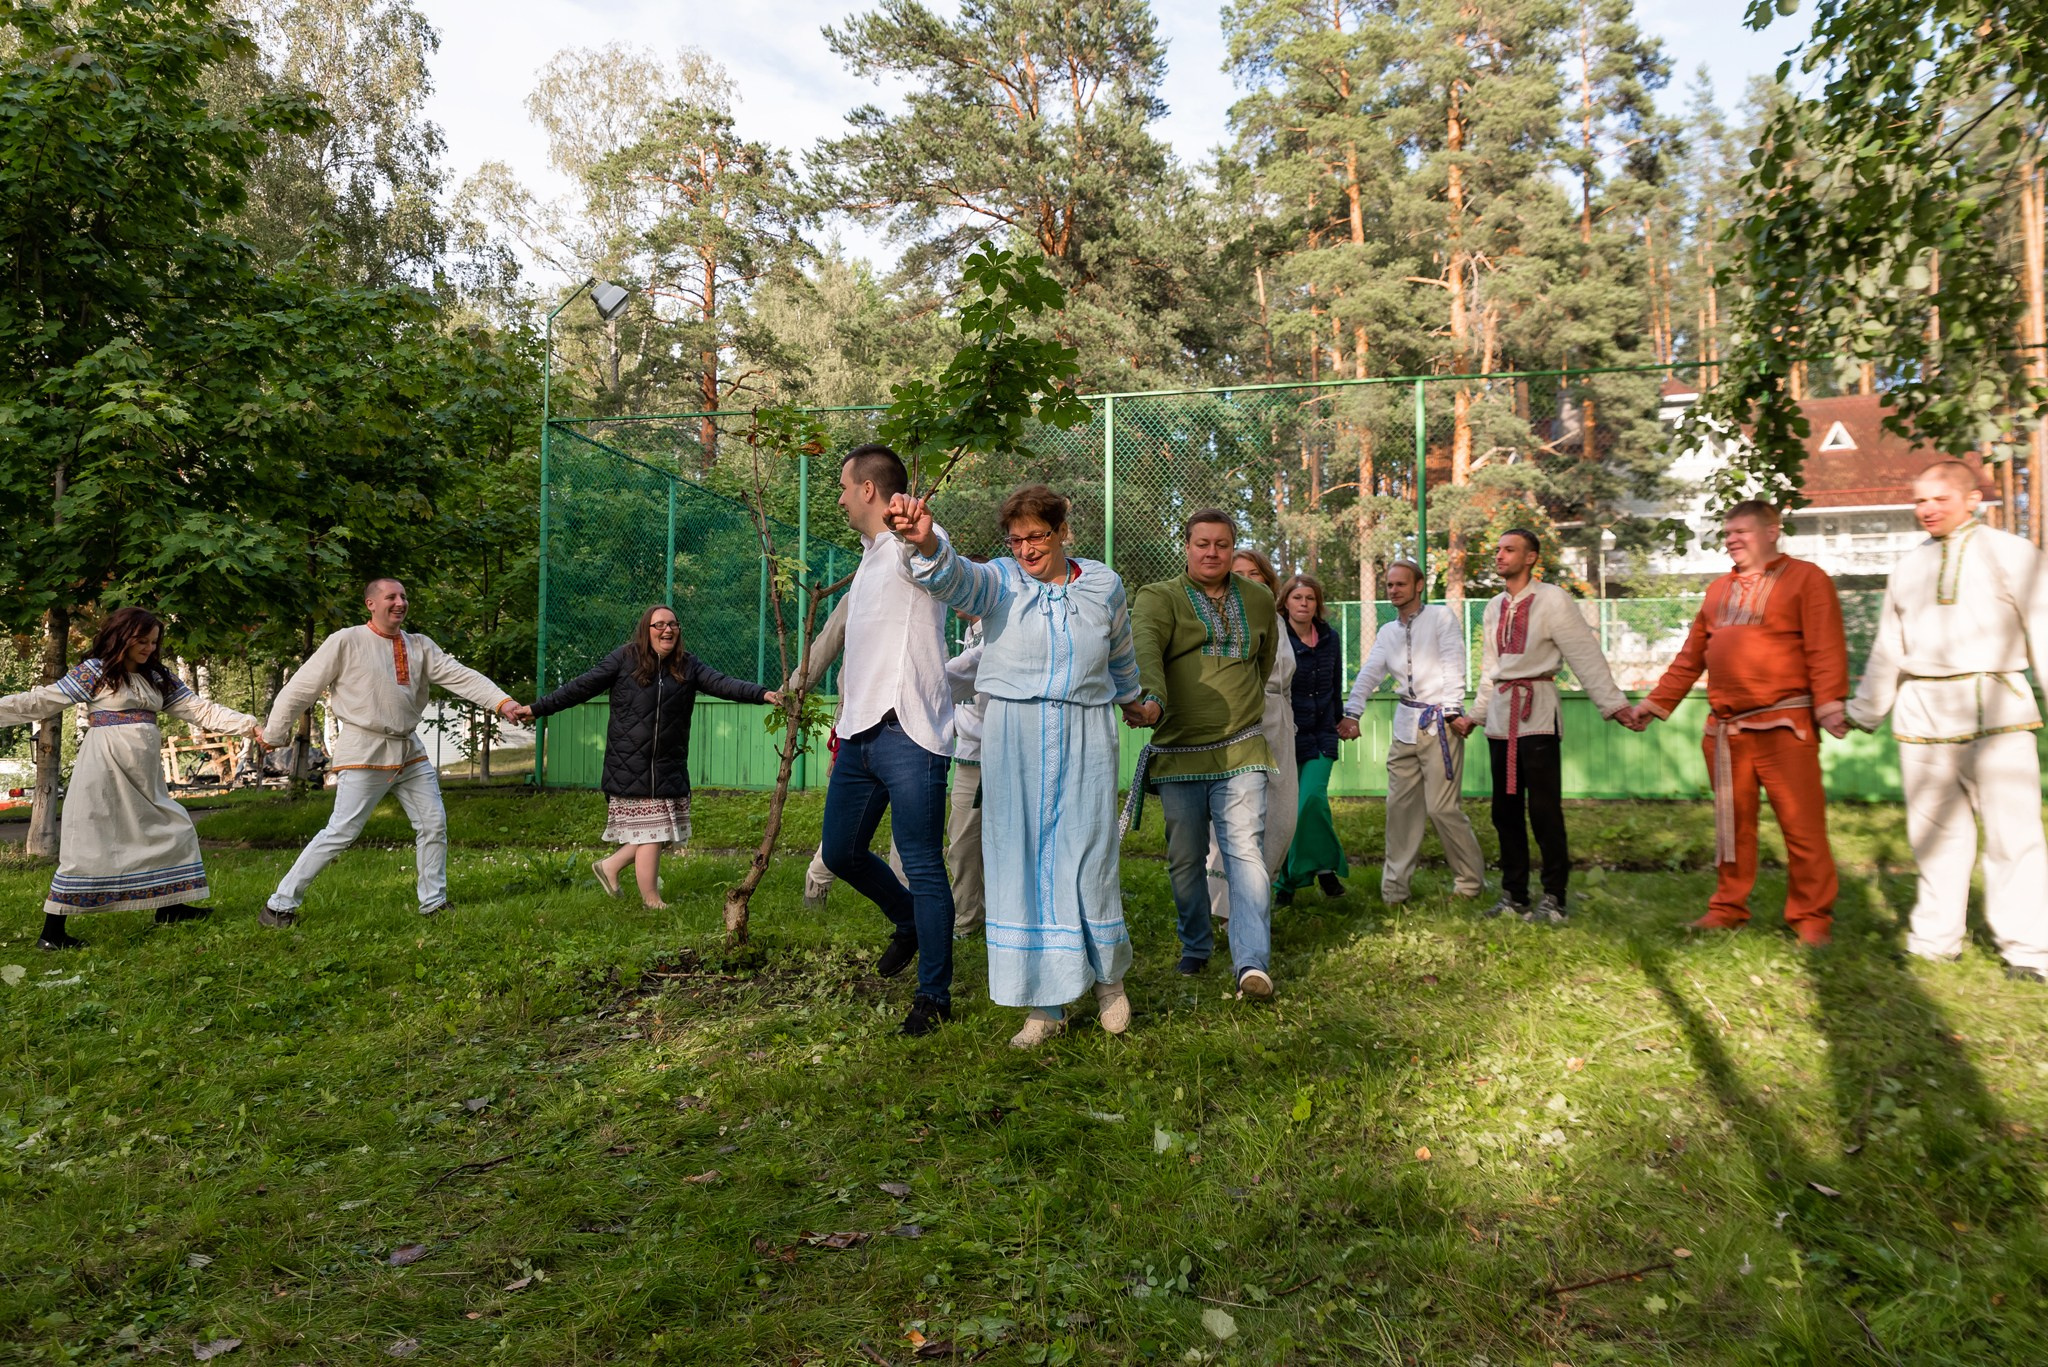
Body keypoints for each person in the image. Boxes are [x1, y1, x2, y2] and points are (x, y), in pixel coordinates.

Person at [890, 484, 1144, 1047]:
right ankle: (1043, 1006)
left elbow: (1121, 654)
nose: (1027, 548)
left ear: (1062, 532)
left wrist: (1135, 701)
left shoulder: (1103, 584)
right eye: (1017, 538)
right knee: (1021, 860)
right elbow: (953, 578)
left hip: (1087, 732)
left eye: (1037, 536)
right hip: (1014, 734)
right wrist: (926, 539)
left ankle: (1108, 982)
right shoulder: (1001, 579)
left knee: (1090, 854)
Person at [1846, 460, 2048, 981]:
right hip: (1922, 714)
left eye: (1938, 499)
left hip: (1996, 709)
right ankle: (1936, 941)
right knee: (1934, 835)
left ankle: (2027, 951)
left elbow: (2044, 627)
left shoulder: (2014, 554)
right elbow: (1889, 647)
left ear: (1972, 498)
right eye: (1919, 500)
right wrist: (1863, 711)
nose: (1927, 509)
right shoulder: (1906, 567)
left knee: (2014, 835)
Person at [1621, 503, 1848, 947]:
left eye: (1741, 531)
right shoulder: (1717, 590)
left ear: (1772, 532)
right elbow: (1690, 659)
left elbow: (1825, 646)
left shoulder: (1807, 579)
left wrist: (1829, 704)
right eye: (1727, 532)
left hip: (1786, 725)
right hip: (1726, 732)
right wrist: (1654, 703)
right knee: (1731, 828)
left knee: (1802, 827)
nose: (1731, 539)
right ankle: (1727, 908)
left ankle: (1811, 917)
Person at [259, 578, 524, 927]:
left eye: (403, 596)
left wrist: (501, 701)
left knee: (433, 822)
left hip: (409, 749)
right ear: (371, 604)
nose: (400, 603)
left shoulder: (420, 646)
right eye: (391, 597)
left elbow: (461, 676)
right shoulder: (346, 641)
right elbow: (301, 688)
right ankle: (279, 906)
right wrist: (275, 733)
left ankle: (433, 903)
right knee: (342, 831)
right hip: (364, 749)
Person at [0, 608, 263, 951]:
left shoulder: (157, 677)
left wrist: (250, 726)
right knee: (90, 846)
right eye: (142, 641)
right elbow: (40, 702)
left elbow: (201, 710)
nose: (150, 648)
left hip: (144, 775)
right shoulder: (95, 672)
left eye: (154, 642)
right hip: (104, 772)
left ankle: (170, 908)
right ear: (121, 637)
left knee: (173, 828)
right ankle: (52, 933)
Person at [820, 444, 958, 1036]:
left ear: (870, 490)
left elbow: (939, 559)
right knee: (840, 852)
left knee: (924, 863)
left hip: (910, 730)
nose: (842, 497)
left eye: (846, 487)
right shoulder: (871, 556)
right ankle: (905, 920)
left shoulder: (909, 542)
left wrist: (921, 538)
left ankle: (935, 995)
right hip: (858, 733)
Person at [524, 605, 779, 908]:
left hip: (668, 764)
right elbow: (580, 687)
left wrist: (762, 694)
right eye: (659, 625)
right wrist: (536, 709)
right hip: (629, 764)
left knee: (660, 831)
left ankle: (611, 866)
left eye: (673, 624)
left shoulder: (688, 666)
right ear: (646, 629)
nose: (667, 630)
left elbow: (724, 684)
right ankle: (651, 900)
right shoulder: (624, 659)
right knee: (652, 835)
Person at [1126, 510, 1283, 998]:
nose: (1212, 552)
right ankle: (1195, 944)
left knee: (1245, 852)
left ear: (1234, 548)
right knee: (1185, 859)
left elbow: (1264, 660)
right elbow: (1146, 649)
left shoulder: (1258, 601)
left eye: (1222, 544)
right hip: (1177, 751)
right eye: (1202, 544)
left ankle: (1251, 964)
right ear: (1187, 547)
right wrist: (1151, 696)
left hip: (1242, 748)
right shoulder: (1159, 597)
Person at [1453, 529, 1630, 924]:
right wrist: (1477, 715)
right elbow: (1491, 670)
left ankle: (1554, 896)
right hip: (1500, 720)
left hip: (1537, 718)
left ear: (1531, 557)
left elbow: (1584, 653)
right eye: (1497, 549)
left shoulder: (1553, 599)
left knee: (1546, 811)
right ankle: (1514, 895)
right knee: (1505, 811)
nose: (1499, 555)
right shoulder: (1494, 607)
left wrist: (1614, 704)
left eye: (1509, 550)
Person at [1340, 560, 1488, 904]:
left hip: (1440, 723)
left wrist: (1452, 709)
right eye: (1389, 585)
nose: (1393, 590)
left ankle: (1469, 884)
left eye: (1400, 584)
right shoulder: (1387, 632)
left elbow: (1453, 660)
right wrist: (1352, 712)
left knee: (1442, 809)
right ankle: (1394, 892)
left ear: (1419, 585)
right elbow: (1370, 673)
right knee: (1399, 810)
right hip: (1405, 726)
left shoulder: (1440, 618)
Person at [782, 597, 905, 916]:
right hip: (856, 720)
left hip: (910, 722)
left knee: (909, 819)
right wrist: (794, 689)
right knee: (849, 815)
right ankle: (818, 881)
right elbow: (825, 643)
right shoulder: (859, 595)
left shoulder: (925, 589)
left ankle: (906, 903)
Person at [1205, 549, 1297, 923]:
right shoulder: (1218, 618)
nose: (1245, 579)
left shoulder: (1276, 619)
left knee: (1282, 815)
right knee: (1233, 813)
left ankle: (1260, 889)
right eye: (1237, 573)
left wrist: (1289, 723)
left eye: (1254, 573)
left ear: (1267, 581)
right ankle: (1227, 909)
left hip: (1278, 721)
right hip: (1238, 721)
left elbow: (1286, 678)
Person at [1273, 573, 1349, 902]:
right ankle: (1306, 877)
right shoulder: (1279, 637)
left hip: (1322, 735)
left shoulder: (1329, 637)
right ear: (1285, 602)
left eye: (1310, 598)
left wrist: (1341, 720)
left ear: (1317, 604)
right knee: (1290, 813)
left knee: (1312, 801)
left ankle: (1305, 874)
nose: (1304, 604)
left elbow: (1334, 683)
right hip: (1287, 734)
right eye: (1297, 598)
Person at [944, 610, 989, 938]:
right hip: (968, 757)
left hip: (991, 754)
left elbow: (961, 672)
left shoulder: (995, 631)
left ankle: (974, 919)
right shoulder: (971, 632)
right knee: (961, 844)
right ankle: (969, 918)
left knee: (973, 844)